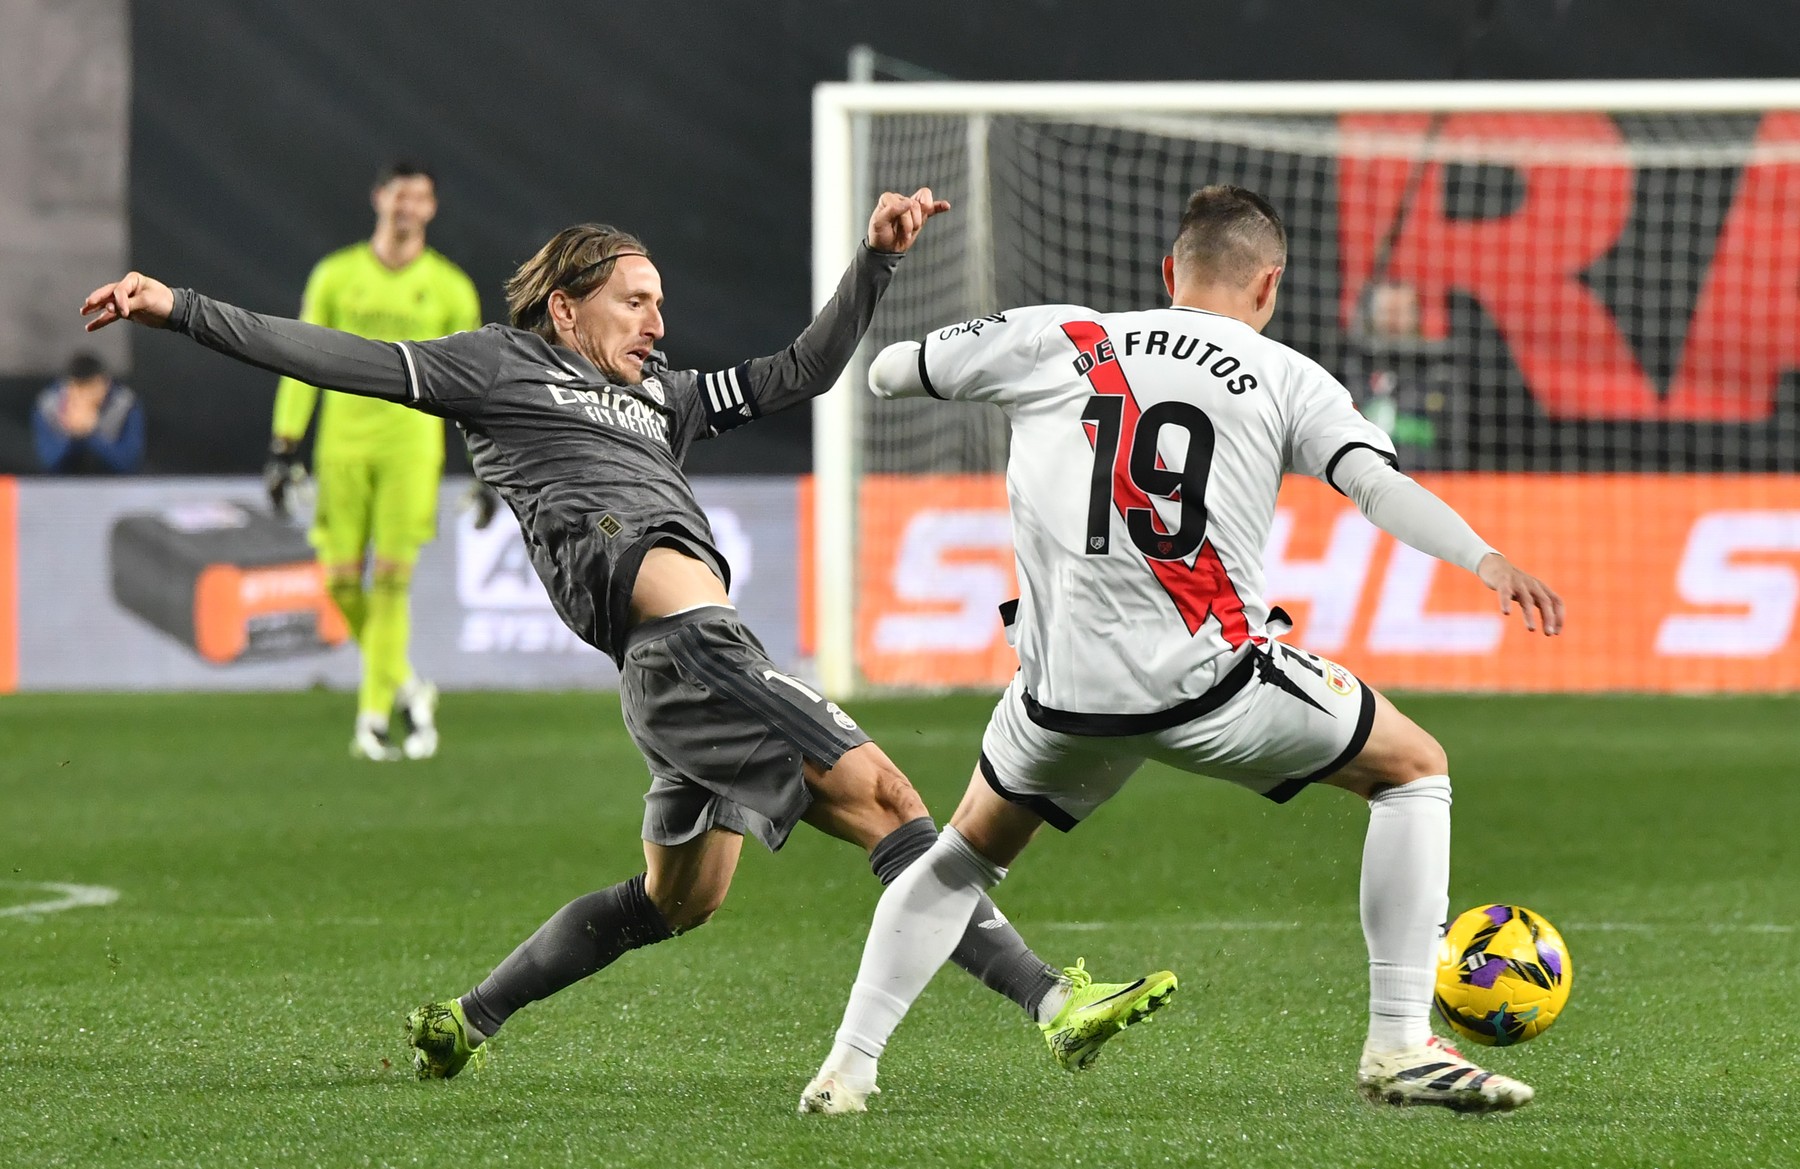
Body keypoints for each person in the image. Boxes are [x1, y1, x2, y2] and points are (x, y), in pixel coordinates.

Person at [81, 187, 1173, 1085]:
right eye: (636, 302)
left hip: (681, 669)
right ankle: (1049, 1001)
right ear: (566, 309)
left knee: (676, 900)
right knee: (890, 799)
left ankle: (467, 1018)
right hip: (691, 648)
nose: (658, 322)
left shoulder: (665, 396)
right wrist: (179, 306)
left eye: (662, 303)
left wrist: (875, 263)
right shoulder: (497, 371)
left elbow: (800, 371)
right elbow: (335, 355)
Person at [799, 185, 1564, 1116]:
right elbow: (1374, 486)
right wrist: (1485, 559)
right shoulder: (1287, 375)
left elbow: (886, 375)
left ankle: (847, 1070)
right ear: (1268, 285)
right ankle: (1400, 1045)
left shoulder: (1061, 335)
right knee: (1413, 770)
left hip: (1058, 699)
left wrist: (927, 302)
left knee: (962, 857)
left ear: (1168, 273)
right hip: (1213, 689)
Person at [268, 160, 482, 762]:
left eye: (419, 198)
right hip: (343, 447)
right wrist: (286, 445)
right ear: (379, 199)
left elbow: (469, 388)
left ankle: (372, 719)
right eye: (398, 195)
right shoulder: (337, 276)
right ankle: (409, 686)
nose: (407, 207)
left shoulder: (450, 289)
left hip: (410, 450)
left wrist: (484, 465)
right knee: (339, 583)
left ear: (432, 208)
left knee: (390, 581)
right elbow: (300, 361)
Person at [33, 352, 145, 474]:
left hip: (114, 485)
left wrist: (93, 433)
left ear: (105, 384)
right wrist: (73, 436)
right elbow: (47, 463)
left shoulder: (125, 405)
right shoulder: (49, 405)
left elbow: (128, 463)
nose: (84, 396)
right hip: (62, 486)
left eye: (90, 388)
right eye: (78, 388)